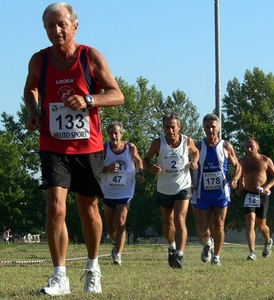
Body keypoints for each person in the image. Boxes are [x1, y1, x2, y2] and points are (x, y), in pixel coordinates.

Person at [23, 2, 124, 296]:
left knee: (88, 207)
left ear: (74, 26)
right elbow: (30, 89)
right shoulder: (39, 61)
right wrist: (33, 110)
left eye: (61, 24)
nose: (55, 31)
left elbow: (117, 95)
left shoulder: (89, 57)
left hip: (87, 146)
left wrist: (89, 100)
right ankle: (59, 276)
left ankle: (93, 268)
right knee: (55, 206)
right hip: (53, 143)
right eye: (50, 26)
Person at [143, 112, 199, 269]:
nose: (170, 130)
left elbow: (195, 152)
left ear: (179, 127)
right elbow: (145, 160)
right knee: (168, 224)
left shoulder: (187, 141)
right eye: (167, 127)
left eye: (173, 127)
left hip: (183, 186)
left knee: (180, 219)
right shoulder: (157, 143)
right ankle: (172, 246)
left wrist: (194, 161)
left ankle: (180, 254)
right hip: (164, 188)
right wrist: (151, 168)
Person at [193, 113, 241, 266]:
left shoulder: (226, 146)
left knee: (219, 224)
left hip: (221, 192)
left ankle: (217, 257)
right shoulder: (199, 146)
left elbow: (238, 166)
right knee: (202, 227)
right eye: (207, 127)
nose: (210, 130)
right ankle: (207, 243)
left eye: (213, 126)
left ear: (218, 127)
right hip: (203, 192)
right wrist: (192, 169)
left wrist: (235, 179)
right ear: (204, 128)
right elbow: (192, 164)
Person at [102, 122, 145, 265]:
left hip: (125, 191)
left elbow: (139, 160)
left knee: (121, 222)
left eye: (116, 133)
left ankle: (118, 255)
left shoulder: (130, 147)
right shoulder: (104, 149)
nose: (114, 136)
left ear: (122, 134)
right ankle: (117, 243)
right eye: (111, 133)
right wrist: (107, 168)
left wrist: (140, 173)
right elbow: (96, 169)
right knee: (110, 227)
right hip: (108, 191)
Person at [236, 138, 274, 260]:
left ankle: (268, 241)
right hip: (248, 194)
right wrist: (240, 187)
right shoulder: (243, 161)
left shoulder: (265, 160)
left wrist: (267, 186)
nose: (249, 149)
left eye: (251, 146)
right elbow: (242, 176)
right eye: (247, 147)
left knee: (261, 226)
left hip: (262, 195)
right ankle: (252, 252)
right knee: (250, 222)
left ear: (257, 147)